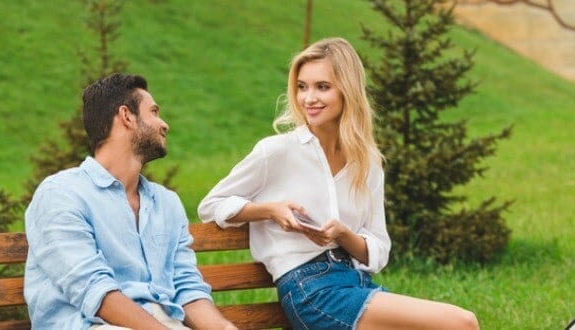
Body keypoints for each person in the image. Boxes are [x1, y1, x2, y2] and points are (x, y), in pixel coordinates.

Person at [198, 37, 479, 330]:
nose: (309, 98)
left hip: (355, 282)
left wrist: (345, 235)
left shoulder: (366, 162)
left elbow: (379, 249)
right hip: (310, 289)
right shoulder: (277, 151)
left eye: (322, 87)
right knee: (461, 323)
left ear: (348, 90)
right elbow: (211, 205)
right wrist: (270, 210)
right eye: (302, 87)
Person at [24, 73, 236, 330]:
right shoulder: (61, 194)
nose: (164, 124)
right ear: (126, 116)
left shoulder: (166, 203)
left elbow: (186, 288)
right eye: (154, 112)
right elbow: (95, 292)